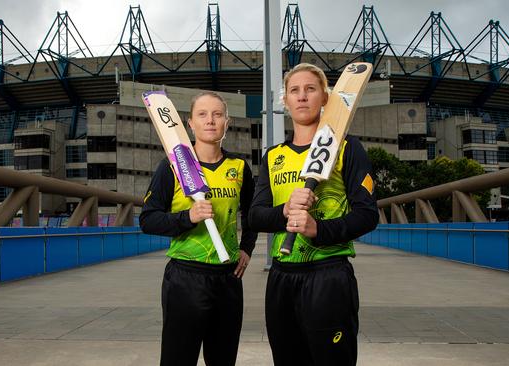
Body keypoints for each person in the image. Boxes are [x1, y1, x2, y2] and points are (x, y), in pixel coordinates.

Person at [249, 63, 379, 366]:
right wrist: (284, 212)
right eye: (294, 90)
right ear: (285, 101)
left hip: (329, 275)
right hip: (282, 276)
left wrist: (317, 229)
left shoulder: (348, 149)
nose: (302, 96)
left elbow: (367, 214)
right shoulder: (273, 156)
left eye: (310, 89)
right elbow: (255, 216)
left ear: (325, 98)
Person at [139, 91, 257, 366]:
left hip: (228, 280)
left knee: (223, 359)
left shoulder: (239, 167)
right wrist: (187, 217)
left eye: (218, 114)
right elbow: (148, 220)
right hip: (185, 278)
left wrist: (247, 248)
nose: (211, 121)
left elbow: (251, 213)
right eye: (202, 114)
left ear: (227, 122)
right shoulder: (171, 167)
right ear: (189, 123)